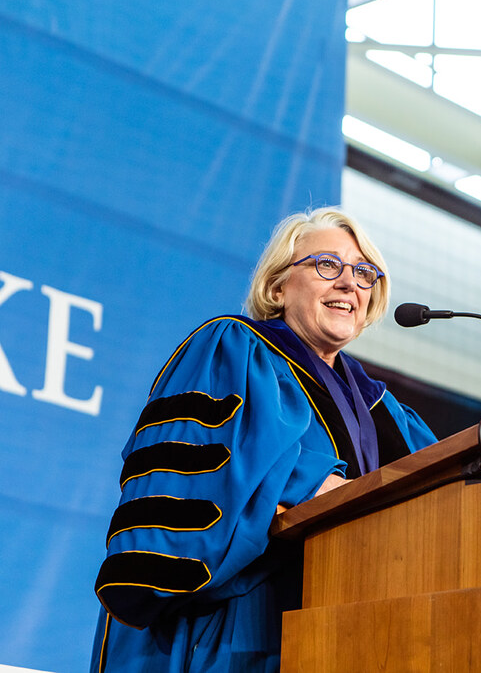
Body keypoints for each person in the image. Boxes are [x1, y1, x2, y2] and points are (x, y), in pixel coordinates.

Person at [90, 207, 437, 673]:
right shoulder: (234, 349)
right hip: (236, 626)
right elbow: (202, 474)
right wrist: (314, 484)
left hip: (350, 635)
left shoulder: (386, 411)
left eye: (363, 273)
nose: (348, 283)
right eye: (327, 265)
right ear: (278, 288)